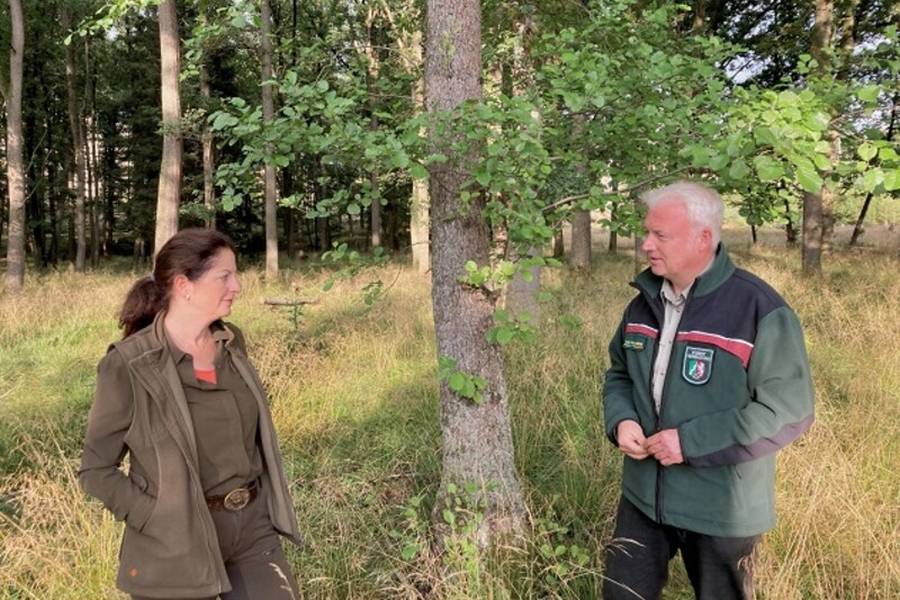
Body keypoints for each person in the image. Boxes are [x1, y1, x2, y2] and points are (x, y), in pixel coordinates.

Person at [601, 181, 814, 599]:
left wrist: (689, 443)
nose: (646, 244)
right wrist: (621, 418)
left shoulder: (759, 309)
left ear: (703, 238)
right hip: (643, 498)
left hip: (723, 508)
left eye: (660, 235)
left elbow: (789, 411)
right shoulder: (643, 302)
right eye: (647, 232)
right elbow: (619, 373)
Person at [79, 228, 301, 600]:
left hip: (251, 530)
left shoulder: (231, 342)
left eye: (236, 274)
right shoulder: (128, 365)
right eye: (225, 276)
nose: (238, 285)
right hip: (174, 543)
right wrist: (156, 515)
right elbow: (95, 470)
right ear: (184, 285)